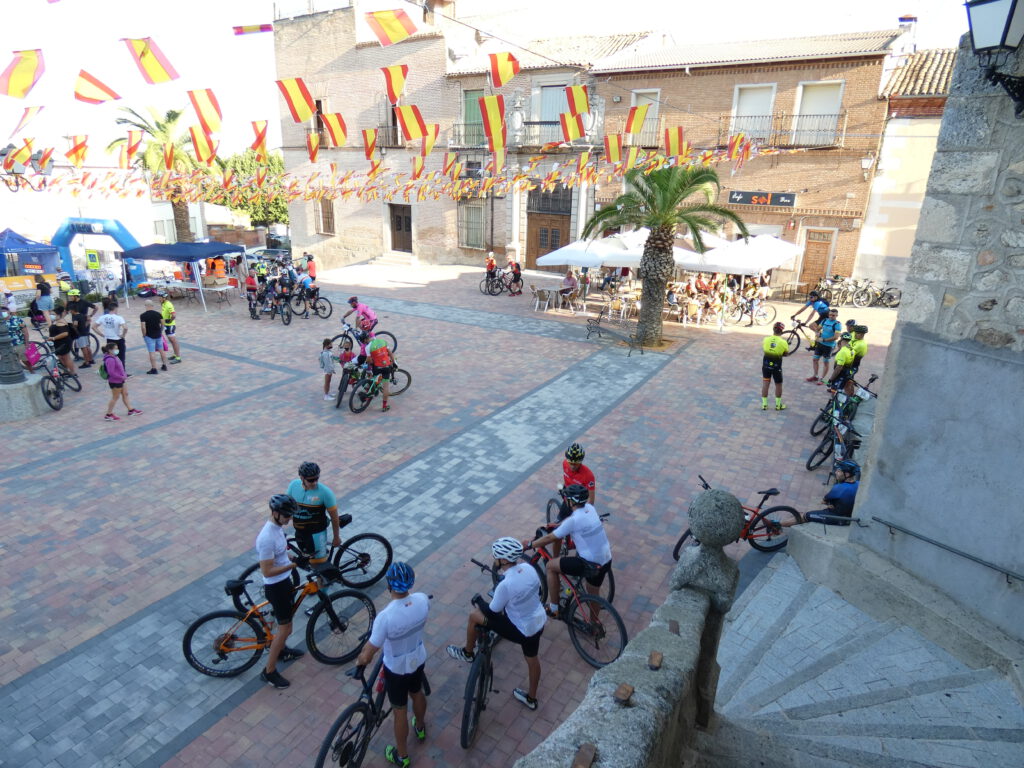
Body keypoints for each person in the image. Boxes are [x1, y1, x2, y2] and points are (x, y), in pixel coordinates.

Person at [447, 538, 545, 711]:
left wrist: (479, 600)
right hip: (538, 622)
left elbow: (491, 612)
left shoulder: (505, 585)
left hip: (521, 630)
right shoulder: (529, 568)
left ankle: (467, 653)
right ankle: (531, 699)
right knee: (532, 659)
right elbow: (538, 591)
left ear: (503, 560)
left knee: (474, 615)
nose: (494, 558)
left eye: (496, 556)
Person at [357, 563, 430, 768]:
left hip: (396, 669)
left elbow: (368, 654)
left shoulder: (386, 617)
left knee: (400, 711)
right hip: (418, 658)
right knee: (417, 692)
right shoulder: (422, 600)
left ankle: (402, 756)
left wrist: (360, 660)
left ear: (389, 584)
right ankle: (420, 727)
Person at [524, 485, 612, 619]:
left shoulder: (573, 520)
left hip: (590, 564)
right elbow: (572, 520)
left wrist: (530, 545)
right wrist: (559, 525)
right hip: (606, 559)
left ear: (571, 501)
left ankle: (554, 608)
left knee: (550, 566)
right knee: (594, 594)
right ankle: (594, 624)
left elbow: (550, 538)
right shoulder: (590, 508)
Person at [256, 494, 307, 689]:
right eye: (287, 515)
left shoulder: (278, 529)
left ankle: (282, 650)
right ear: (275, 513)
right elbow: (267, 571)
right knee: (285, 629)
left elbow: (281, 553)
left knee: (287, 627)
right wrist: (294, 565)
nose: (289, 519)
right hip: (276, 587)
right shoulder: (266, 538)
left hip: (284, 582)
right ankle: (269, 672)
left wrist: (295, 558)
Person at [287, 461, 342, 565]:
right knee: (307, 560)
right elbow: (287, 508)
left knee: (319, 565)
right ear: (302, 478)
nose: (315, 482)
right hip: (300, 532)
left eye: (317, 478)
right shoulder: (293, 486)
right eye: (311, 480)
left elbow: (335, 518)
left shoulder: (325, 493)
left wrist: (336, 537)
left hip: (317, 534)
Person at [804, 460, 860, 525]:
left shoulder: (839, 488)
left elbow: (824, 501)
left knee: (806, 515)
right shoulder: (859, 484)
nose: (835, 472)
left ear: (847, 474)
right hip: (850, 515)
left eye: (838, 471)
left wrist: (829, 503)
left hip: (838, 517)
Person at [101, 342, 141, 421]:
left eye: (117, 348)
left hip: (121, 379)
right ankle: (108, 414)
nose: (117, 350)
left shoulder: (114, 356)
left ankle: (130, 410)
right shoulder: (110, 359)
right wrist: (122, 377)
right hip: (115, 381)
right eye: (115, 349)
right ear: (110, 350)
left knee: (125, 394)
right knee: (115, 397)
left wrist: (123, 376)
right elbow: (111, 373)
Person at [808, 307, 842, 385]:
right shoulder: (824, 320)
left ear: (836, 316)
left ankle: (822, 379)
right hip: (820, 344)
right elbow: (818, 328)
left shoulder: (837, 324)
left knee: (825, 362)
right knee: (815, 359)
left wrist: (823, 340)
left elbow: (836, 337)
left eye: (833, 315)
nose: (831, 316)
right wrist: (817, 332)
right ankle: (815, 376)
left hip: (829, 346)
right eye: (830, 315)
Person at [65, 289, 97, 368]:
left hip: (81, 325)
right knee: (84, 343)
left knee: (84, 345)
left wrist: (90, 315)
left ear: (76, 296)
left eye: (71, 296)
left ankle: (87, 362)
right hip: (80, 323)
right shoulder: (70, 303)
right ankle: (89, 359)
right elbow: (66, 312)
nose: (70, 297)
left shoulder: (83, 302)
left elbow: (96, 307)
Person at [93, 300, 128, 369]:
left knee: (111, 355)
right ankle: (122, 371)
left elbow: (94, 327)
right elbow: (125, 328)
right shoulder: (119, 318)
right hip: (118, 340)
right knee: (121, 356)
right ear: (115, 308)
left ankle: (111, 370)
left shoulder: (103, 317)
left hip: (109, 340)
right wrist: (123, 335)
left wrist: (102, 334)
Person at [761, 321, 787, 411]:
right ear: (782, 331)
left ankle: (764, 405)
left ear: (773, 329)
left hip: (766, 365)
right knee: (778, 384)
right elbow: (786, 354)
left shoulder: (766, 339)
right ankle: (778, 405)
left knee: (765, 383)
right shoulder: (783, 342)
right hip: (776, 367)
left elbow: (765, 349)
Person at [139, 300, 168, 375]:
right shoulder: (158, 314)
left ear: (146, 306)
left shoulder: (143, 315)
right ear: (152, 305)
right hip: (158, 335)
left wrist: (144, 334)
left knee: (152, 352)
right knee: (161, 350)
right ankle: (164, 365)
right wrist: (160, 330)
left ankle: (154, 369)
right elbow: (163, 323)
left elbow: (143, 327)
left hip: (149, 336)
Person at [366, 335, 394, 412]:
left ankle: (369, 392)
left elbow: (369, 360)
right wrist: (393, 361)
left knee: (373, 378)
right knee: (386, 387)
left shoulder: (368, 347)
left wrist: (371, 363)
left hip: (377, 367)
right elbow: (390, 353)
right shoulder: (383, 341)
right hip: (386, 366)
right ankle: (384, 406)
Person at [48, 306, 78, 376]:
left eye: (53, 314)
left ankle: (72, 373)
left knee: (66, 358)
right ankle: (66, 371)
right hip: (58, 343)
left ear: (58, 314)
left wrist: (53, 338)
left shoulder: (61, 322)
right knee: (61, 358)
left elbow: (65, 333)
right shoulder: (57, 321)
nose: (51, 316)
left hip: (63, 343)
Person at [159, 294, 181, 363]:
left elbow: (174, 315)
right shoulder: (163, 303)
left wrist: (170, 320)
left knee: (173, 341)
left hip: (170, 325)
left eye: (160, 298)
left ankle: (178, 358)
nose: (159, 299)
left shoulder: (168, 305)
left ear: (164, 298)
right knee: (171, 341)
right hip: (166, 325)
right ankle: (175, 355)